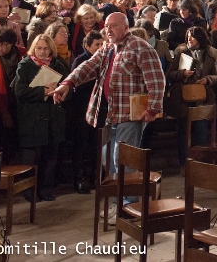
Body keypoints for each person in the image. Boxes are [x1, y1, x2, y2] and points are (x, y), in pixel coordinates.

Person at [52, 12, 165, 199]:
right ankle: (117, 200)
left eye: (113, 26)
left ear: (126, 28)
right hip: (108, 112)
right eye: (106, 26)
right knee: (108, 158)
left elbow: (156, 80)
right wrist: (68, 83)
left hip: (130, 114)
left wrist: (153, 108)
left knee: (124, 160)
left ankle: (129, 204)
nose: (109, 30)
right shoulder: (108, 47)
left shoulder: (140, 47)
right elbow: (89, 65)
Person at [15, 34, 70, 201]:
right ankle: (29, 191)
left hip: (52, 117)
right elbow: (19, 91)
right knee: (32, 158)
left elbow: (68, 87)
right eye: (39, 48)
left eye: (46, 48)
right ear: (34, 49)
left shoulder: (58, 65)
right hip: (31, 118)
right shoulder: (25, 66)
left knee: (50, 157)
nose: (42, 52)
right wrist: (43, 91)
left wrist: (60, 92)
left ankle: (46, 189)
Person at [165, 26, 217, 163]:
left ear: (200, 39)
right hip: (185, 97)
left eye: (193, 36)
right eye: (188, 36)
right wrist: (182, 74)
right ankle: (184, 162)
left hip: (202, 97)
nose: (189, 39)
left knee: (201, 131)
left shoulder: (210, 55)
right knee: (184, 132)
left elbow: (216, 76)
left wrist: (207, 79)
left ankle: (200, 163)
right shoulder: (181, 53)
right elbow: (170, 74)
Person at [67, 30, 104, 194]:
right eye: (97, 45)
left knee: (97, 145)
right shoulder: (81, 61)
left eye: (102, 44)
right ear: (87, 46)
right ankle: (79, 179)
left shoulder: (105, 60)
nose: (100, 47)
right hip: (82, 110)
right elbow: (78, 85)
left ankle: (96, 176)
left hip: (99, 110)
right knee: (81, 145)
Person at [0, 27, 26, 163]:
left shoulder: (22, 53)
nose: (0, 48)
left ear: (12, 43)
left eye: (4, 45)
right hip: (4, 102)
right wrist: (4, 112)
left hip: (23, 101)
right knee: (8, 139)